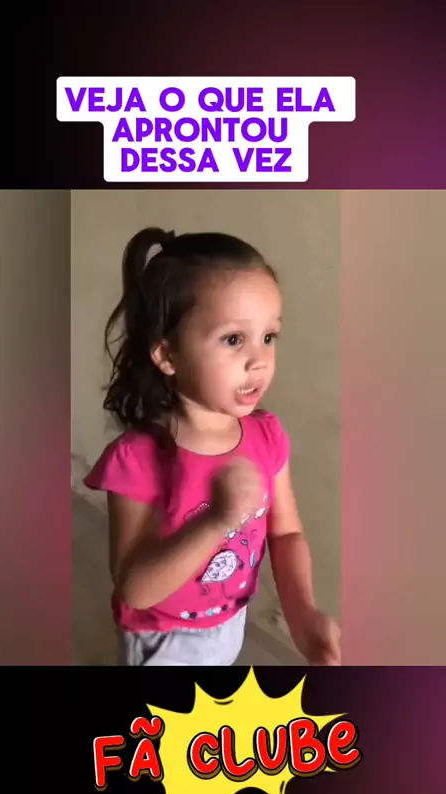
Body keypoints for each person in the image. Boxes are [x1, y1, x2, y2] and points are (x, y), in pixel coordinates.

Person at [84, 226, 341, 667]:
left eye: (269, 337)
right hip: (164, 641)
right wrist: (218, 520)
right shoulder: (139, 458)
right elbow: (135, 587)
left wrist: (303, 618)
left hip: (230, 620)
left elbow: (285, 532)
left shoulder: (266, 436)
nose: (259, 360)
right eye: (233, 339)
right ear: (167, 355)